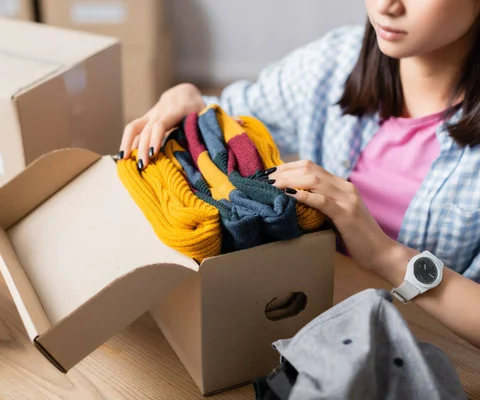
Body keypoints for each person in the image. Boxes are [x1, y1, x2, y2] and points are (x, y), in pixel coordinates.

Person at [118, 0, 480, 349]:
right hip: (295, 320)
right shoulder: (334, 61)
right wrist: (186, 96)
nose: (386, 5)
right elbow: (229, 117)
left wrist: (385, 255)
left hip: (416, 351)